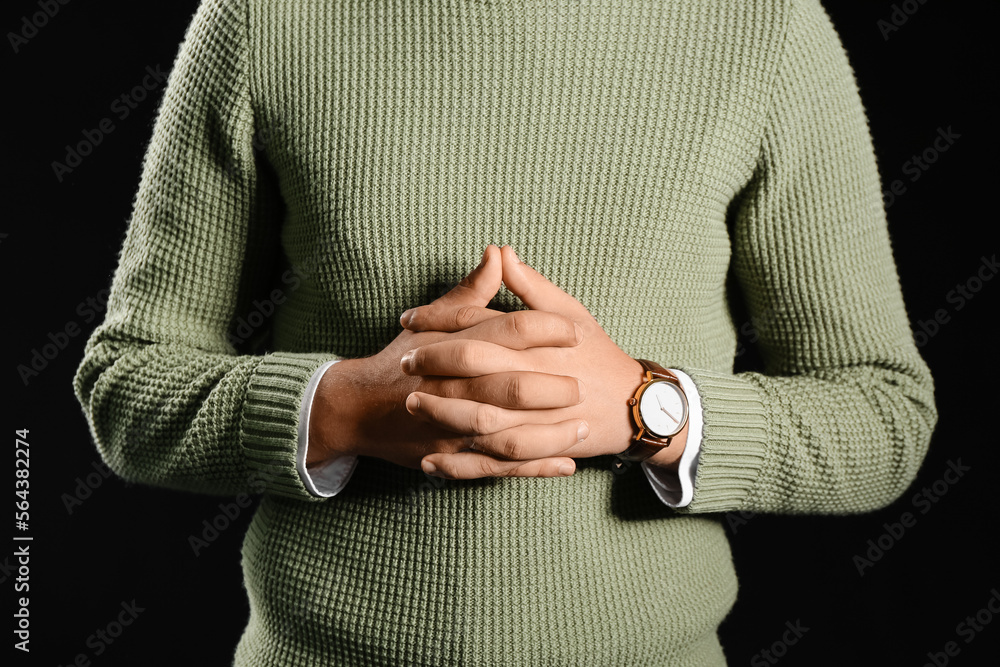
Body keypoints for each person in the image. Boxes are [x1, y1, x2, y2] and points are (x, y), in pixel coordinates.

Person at [73, 0, 937, 664]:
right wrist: (340, 409)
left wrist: (648, 408)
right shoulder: (263, 20)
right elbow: (125, 382)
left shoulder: (766, 28)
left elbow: (884, 417)